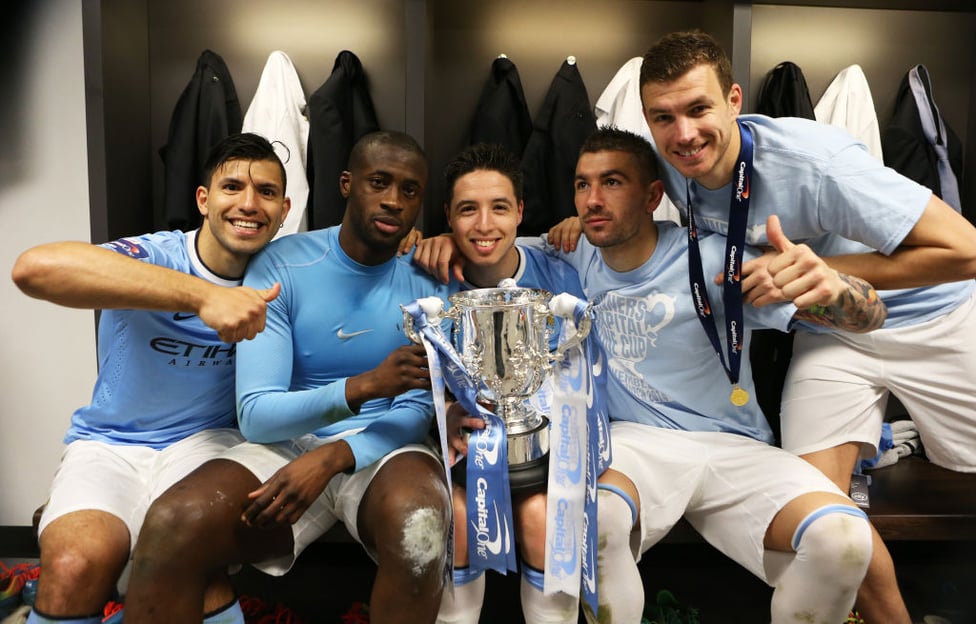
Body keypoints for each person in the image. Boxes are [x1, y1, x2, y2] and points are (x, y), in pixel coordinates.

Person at [549, 31, 976, 622]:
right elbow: (612, 196)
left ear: (733, 99)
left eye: (699, 109)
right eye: (663, 118)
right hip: (826, 328)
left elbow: (966, 249)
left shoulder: (815, 160)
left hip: (937, 314)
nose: (684, 133)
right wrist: (579, 219)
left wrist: (827, 272)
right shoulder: (672, 167)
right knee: (835, 525)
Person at [545, 126, 887, 623]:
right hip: (638, 443)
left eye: (613, 182)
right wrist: (436, 241)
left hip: (733, 444)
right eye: (582, 184)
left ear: (652, 195)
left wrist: (833, 288)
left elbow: (867, 318)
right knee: (595, 520)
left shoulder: (711, 258)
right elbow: (493, 244)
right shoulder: (574, 250)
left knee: (844, 541)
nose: (593, 200)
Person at [121, 130, 454, 624]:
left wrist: (336, 455)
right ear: (347, 183)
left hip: (382, 446)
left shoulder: (429, 281)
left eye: (409, 191)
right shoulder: (283, 263)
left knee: (420, 528)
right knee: (173, 523)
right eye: (379, 182)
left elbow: (416, 408)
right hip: (286, 441)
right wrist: (362, 387)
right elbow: (256, 415)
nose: (393, 200)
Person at [10, 132, 291, 624]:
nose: (249, 203)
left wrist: (424, 242)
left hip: (208, 444)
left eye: (265, 192)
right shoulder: (157, 254)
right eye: (232, 188)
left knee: (194, 566)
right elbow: (33, 269)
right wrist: (202, 296)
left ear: (285, 209)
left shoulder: (285, 271)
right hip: (109, 444)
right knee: (74, 565)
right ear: (203, 200)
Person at [413, 143, 595, 624]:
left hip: (548, 440)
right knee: (455, 522)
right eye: (467, 210)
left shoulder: (562, 268)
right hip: (458, 443)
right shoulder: (429, 278)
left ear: (520, 212)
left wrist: (579, 226)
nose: (484, 225)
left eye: (498, 207)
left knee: (543, 520)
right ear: (448, 216)